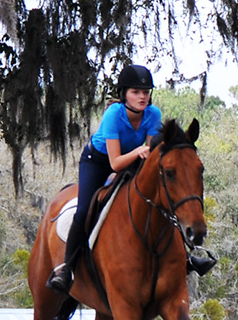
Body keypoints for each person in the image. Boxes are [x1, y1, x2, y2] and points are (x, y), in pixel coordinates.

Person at [46, 63, 163, 292]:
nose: (142, 97)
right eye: (136, 92)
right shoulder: (113, 114)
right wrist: (140, 152)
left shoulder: (154, 114)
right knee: (84, 210)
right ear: (124, 94)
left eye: (146, 92)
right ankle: (66, 269)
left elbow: (148, 154)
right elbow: (115, 163)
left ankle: (185, 257)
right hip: (98, 161)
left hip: (133, 159)